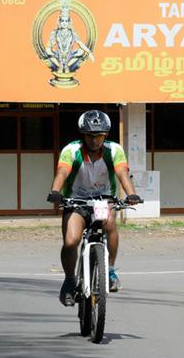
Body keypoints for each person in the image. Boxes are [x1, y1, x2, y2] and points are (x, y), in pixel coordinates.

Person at [48, 110, 141, 306]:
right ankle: (69, 281)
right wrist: (55, 191)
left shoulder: (114, 150)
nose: (94, 140)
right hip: (76, 201)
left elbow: (122, 172)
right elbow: (62, 172)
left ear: (105, 135)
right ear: (83, 134)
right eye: (90, 135)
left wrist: (131, 194)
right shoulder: (71, 150)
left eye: (99, 136)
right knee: (71, 241)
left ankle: (110, 271)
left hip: (102, 200)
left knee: (109, 225)